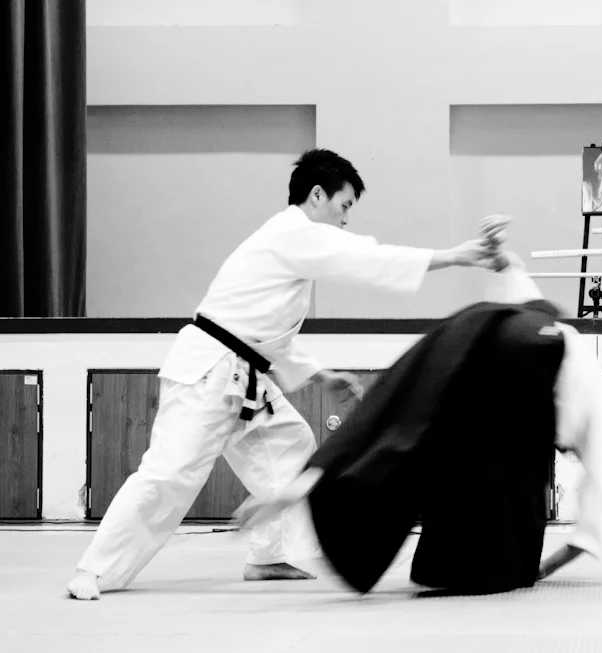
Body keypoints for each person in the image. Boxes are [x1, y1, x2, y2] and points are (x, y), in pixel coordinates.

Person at [67, 149, 508, 600]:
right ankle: (96, 570)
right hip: (210, 372)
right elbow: (367, 258)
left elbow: (265, 332)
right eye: (344, 205)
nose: (345, 219)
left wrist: (321, 375)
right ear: (317, 195)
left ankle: (268, 556)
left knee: (290, 445)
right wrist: (457, 256)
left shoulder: (288, 244)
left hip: (241, 375)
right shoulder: (293, 233)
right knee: (170, 474)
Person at [234, 251, 602, 593]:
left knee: (403, 423)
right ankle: (474, 567)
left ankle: (313, 479)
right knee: (506, 479)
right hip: (519, 363)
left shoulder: (540, 326)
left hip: (471, 329)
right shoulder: (593, 395)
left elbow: (522, 292)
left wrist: (507, 264)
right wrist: (552, 563)